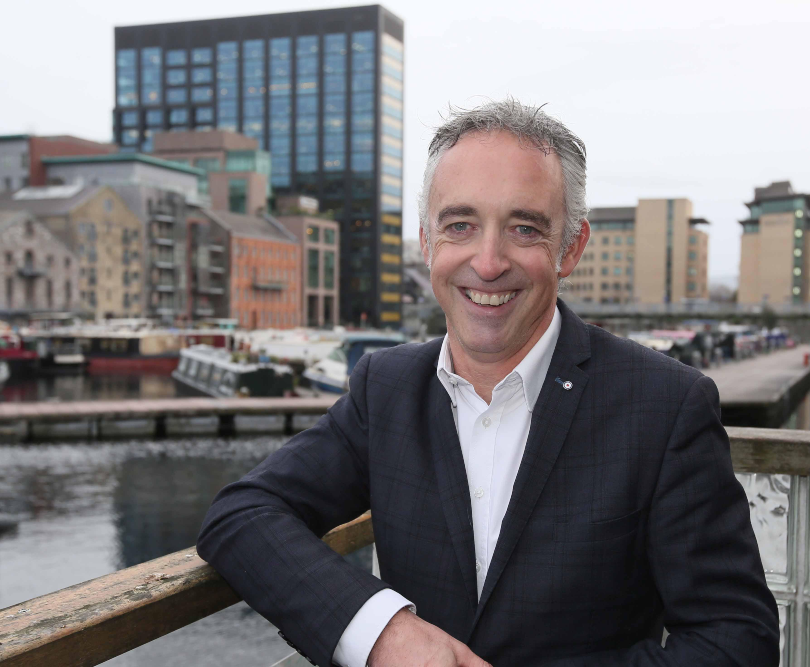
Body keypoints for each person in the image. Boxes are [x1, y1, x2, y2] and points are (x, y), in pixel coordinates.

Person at [197, 98, 779, 667]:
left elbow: (736, 640)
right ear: (428, 243)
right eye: (460, 225)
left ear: (569, 249)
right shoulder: (388, 387)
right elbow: (244, 514)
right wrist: (382, 633)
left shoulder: (665, 404)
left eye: (524, 229)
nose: (489, 260)